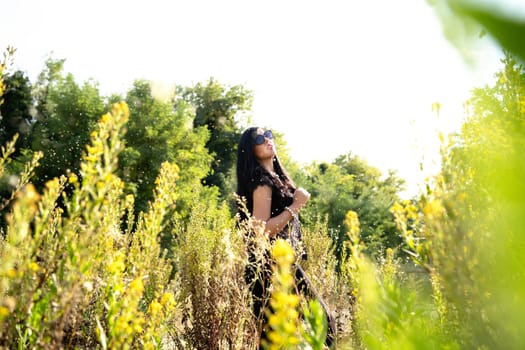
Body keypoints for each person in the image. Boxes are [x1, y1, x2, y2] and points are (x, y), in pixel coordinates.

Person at [236, 126, 335, 347]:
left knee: (277, 338)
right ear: (250, 150)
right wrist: (295, 206)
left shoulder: (275, 177)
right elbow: (261, 231)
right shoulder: (262, 182)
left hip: (278, 264)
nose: (267, 140)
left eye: (268, 134)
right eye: (259, 138)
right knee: (322, 323)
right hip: (269, 266)